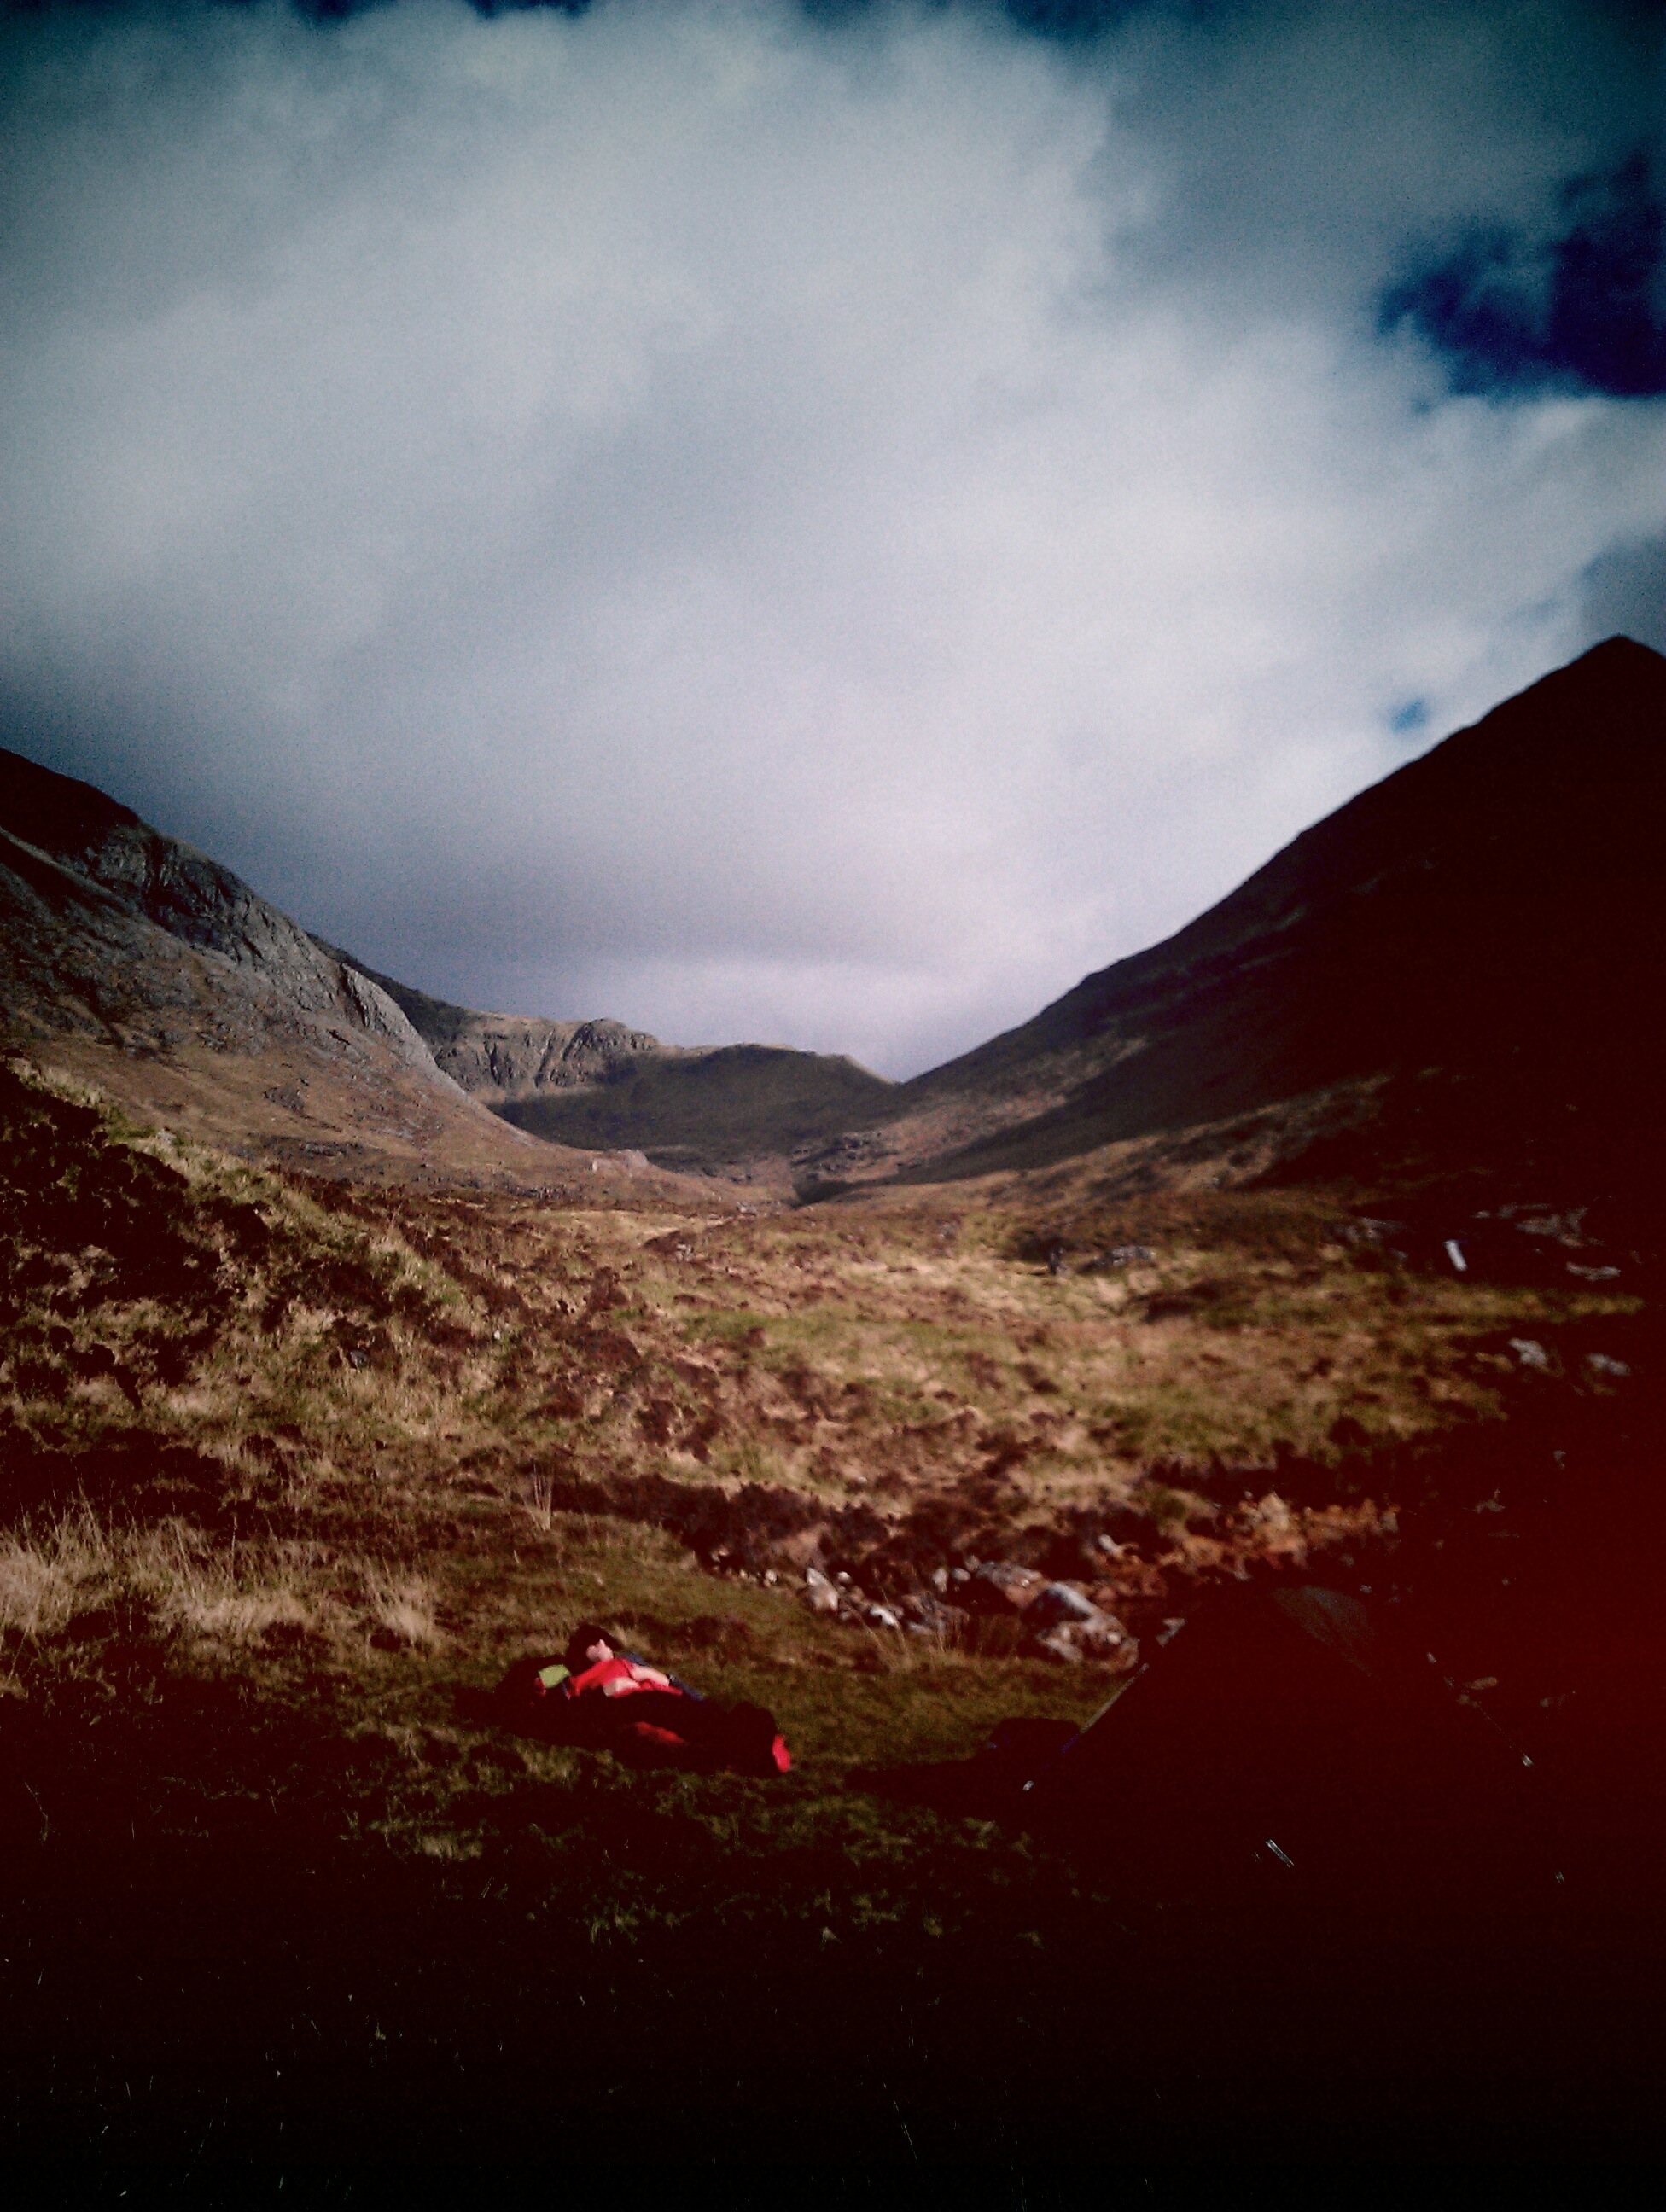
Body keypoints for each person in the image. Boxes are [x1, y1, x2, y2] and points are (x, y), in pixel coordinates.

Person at [498, 1621, 791, 1775]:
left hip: (664, 1697)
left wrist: (666, 1679)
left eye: (604, 1641)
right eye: (595, 1643)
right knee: (675, 1725)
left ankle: (747, 1744)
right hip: (628, 1707)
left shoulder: (630, 1660)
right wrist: (603, 1694)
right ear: (583, 1651)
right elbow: (562, 1717)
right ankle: (738, 1751)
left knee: (708, 1713)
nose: (603, 1645)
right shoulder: (570, 1676)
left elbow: (687, 1694)